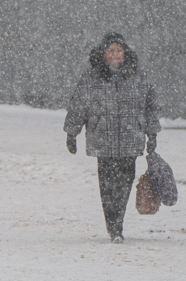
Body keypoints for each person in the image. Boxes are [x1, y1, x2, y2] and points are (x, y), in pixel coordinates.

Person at [64, 32, 160, 243]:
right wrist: (72, 133)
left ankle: (118, 222)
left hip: (130, 139)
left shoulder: (139, 77)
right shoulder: (91, 77)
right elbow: (78, 105)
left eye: (118, 50)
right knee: (107, 186)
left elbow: (150, 107)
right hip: (102, 140)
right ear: (103, 53)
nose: (115, 54)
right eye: (110, 51)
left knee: (125, 184)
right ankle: (113, 226)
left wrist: (152, 134)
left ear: (125, 52)